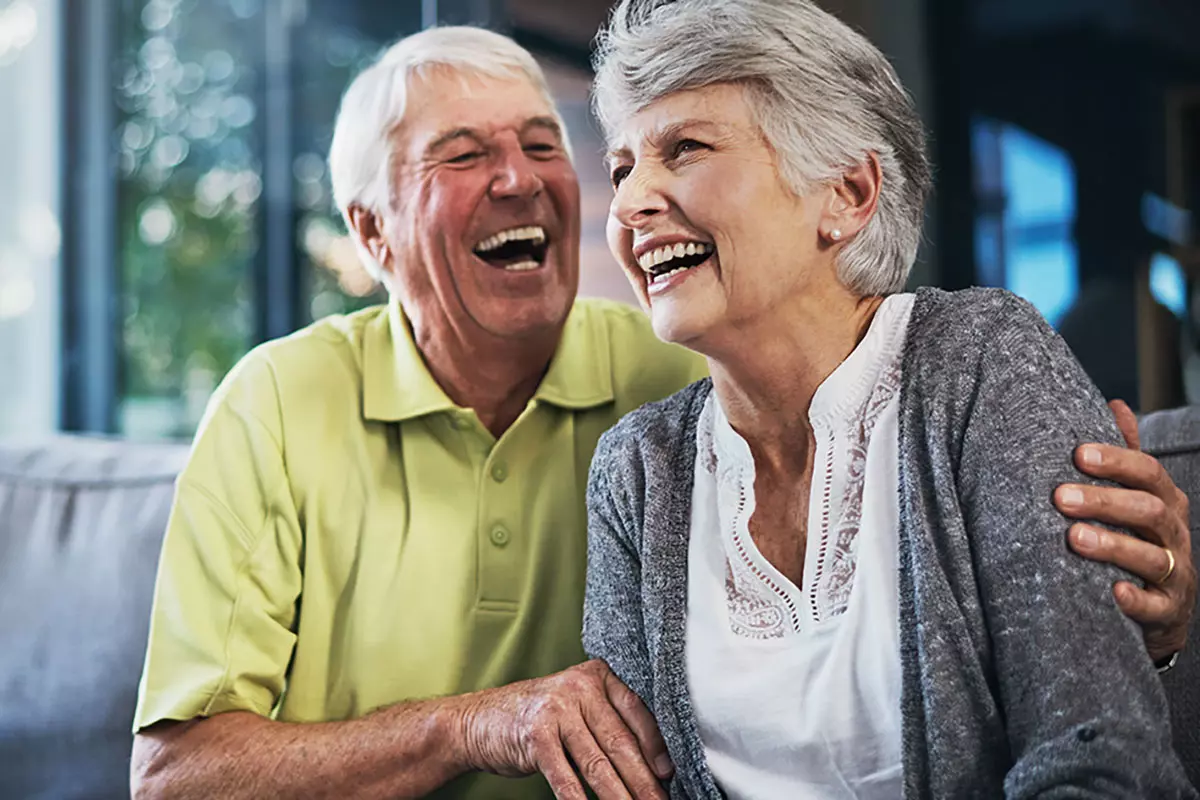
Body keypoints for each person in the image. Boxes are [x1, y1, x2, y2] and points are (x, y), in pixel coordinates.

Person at [129, 23, 1192, 800]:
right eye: (463, 155)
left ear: (848, 194)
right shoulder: (645, 452)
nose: (615, 197)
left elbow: (1099, 741)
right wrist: (478, 719)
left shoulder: (917, 363)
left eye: (548, 146)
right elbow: (175, 774)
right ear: (371, 235)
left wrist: (1139, 603)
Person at [583, 0, 1197, 797]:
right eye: (622, 167)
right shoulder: (635, 470)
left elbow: (1101, 760)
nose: (630, 205)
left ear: (847, 192)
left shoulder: (980, 362)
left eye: (685, 149)